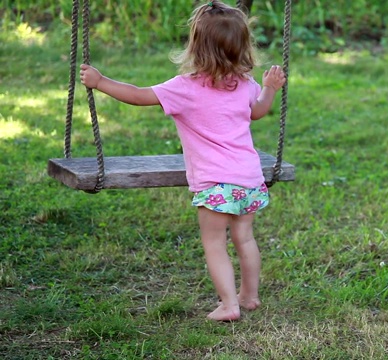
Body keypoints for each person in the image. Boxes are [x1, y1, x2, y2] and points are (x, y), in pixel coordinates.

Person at [80, 0, 286, 322]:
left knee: (214, 242)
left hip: (216, 184)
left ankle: (229, 304)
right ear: (242, 47)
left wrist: (101, 81)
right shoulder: (245, 85)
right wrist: (270, 90)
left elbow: (137, 95)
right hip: (250, 179)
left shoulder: (185, 88)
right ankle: (249, 295)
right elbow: (257, 111)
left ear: (195, 47)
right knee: (244, 238)